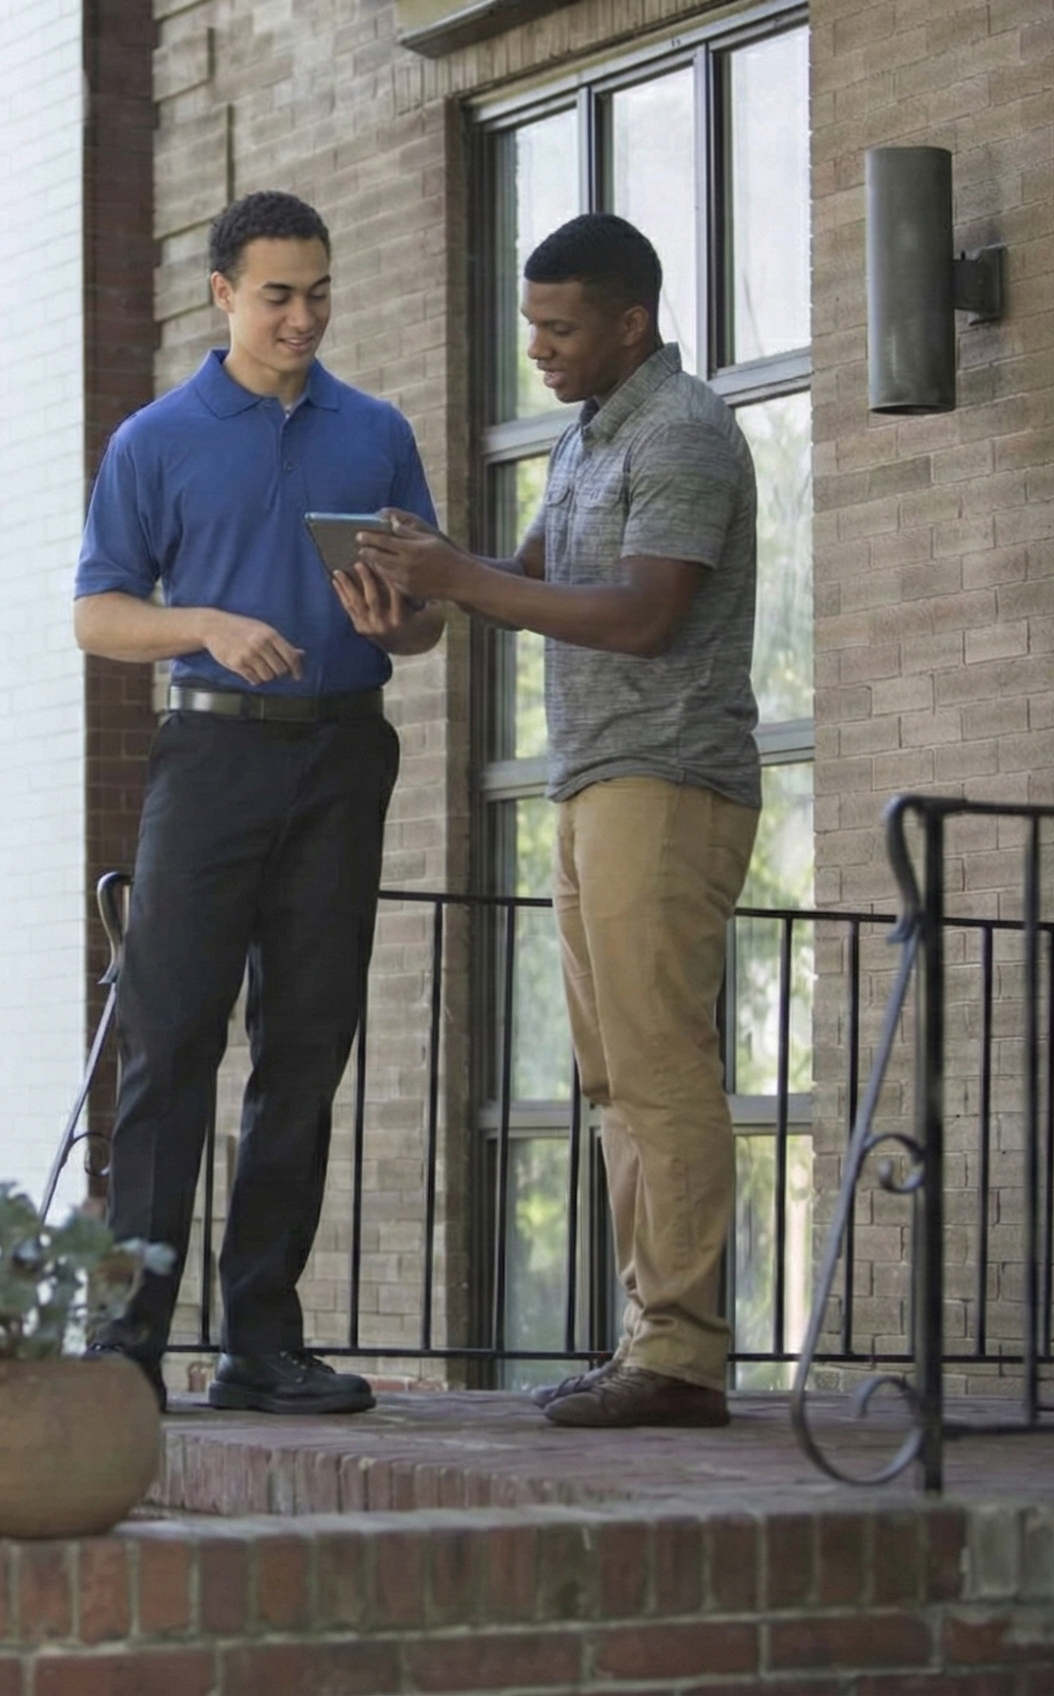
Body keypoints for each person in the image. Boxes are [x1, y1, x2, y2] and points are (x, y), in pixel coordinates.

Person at [355, 212, 760, 1429]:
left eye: (558, 326)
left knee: (658, 1066)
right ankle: (653, 1341)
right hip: (588, 779)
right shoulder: (586, 439)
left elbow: (641, 615)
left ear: (630, 321)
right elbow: (514, 588)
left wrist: (462, 577)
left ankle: (683, 1353)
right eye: (530, 323)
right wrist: (409, 602)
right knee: (608, 1077)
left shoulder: (683, 431)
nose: (536, 346)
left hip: (668, 777)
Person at [74, 190, 442, 1416]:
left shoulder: (376, 432)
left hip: (343, 755)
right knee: (169, 1041)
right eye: (278, 293)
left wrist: (406, 614)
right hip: (210, 756)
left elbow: (430, 610)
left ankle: (258, 1343)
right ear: (222, 293)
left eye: (319, 291)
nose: (302, 315)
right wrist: (207, 626)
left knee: (304, 1048)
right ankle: (126, 1344)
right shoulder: (156, 439)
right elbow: (97, 611)